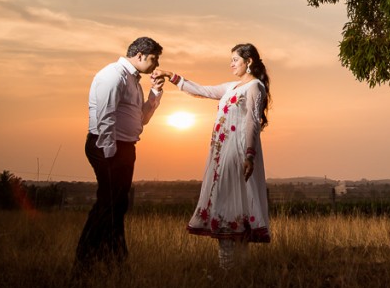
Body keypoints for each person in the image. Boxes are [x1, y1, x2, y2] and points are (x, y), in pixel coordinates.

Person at [158, 43, 272, 269]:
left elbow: (251, 122)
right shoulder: (232, 87)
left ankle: (231, 269)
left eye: (235, 60)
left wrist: (249, 155)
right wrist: (171, 76)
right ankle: (232, 271)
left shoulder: (254, 87)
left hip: (236, 154)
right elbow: (203, 90)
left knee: (228, 206)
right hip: (221, 155)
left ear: (248, 61)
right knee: (226, 205)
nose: (231, 64)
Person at [75, 36, 166, 271]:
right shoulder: (113, 75)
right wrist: (110, 153)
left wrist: (155, 92)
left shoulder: (134, 81)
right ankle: (85, 259)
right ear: (140, 55)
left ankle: (114, 257)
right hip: (107, 146)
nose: (156, 65)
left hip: (125, 146)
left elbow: (141, 119)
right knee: (109, 203)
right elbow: (105, 116)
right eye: (154, 59)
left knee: (118, 204)